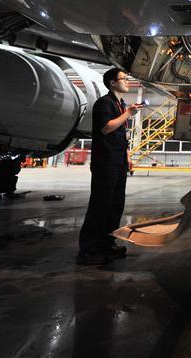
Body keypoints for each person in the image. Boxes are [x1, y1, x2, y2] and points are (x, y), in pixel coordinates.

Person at [76, 67, 143, 265]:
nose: (127, 81)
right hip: (105, 162)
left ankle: (107, 244)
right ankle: (88, 250)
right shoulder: (104, 103)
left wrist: (127, 155)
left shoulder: (120, 104)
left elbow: (121, 132)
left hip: (118, 160)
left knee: (115, 205)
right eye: (123, 78)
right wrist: (128, 113)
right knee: (100, 206)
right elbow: (106, 128)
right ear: (112, 82)